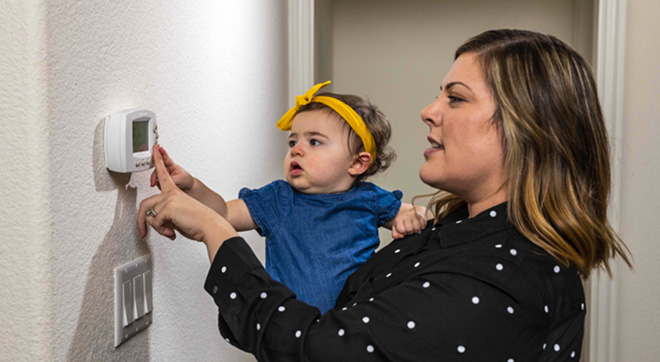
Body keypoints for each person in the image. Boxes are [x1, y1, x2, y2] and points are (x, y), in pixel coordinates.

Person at [138, 29, 632, 361]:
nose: (428, 110)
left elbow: (320, 350)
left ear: (528, 129)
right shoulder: (459, 232)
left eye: (455, 98)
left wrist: (213, 232)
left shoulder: (499, 280)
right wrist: (202, 203)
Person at [145, 81, 427, 313]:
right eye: (293, 141)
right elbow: (223, 215)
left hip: (352, 326)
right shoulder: (279, 200)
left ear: (357, 163)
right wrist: (192, 186)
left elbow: (413, 213)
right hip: (291, 328)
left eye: (314, 141)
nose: (296, 149)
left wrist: (410, 217)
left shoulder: (369, 199)